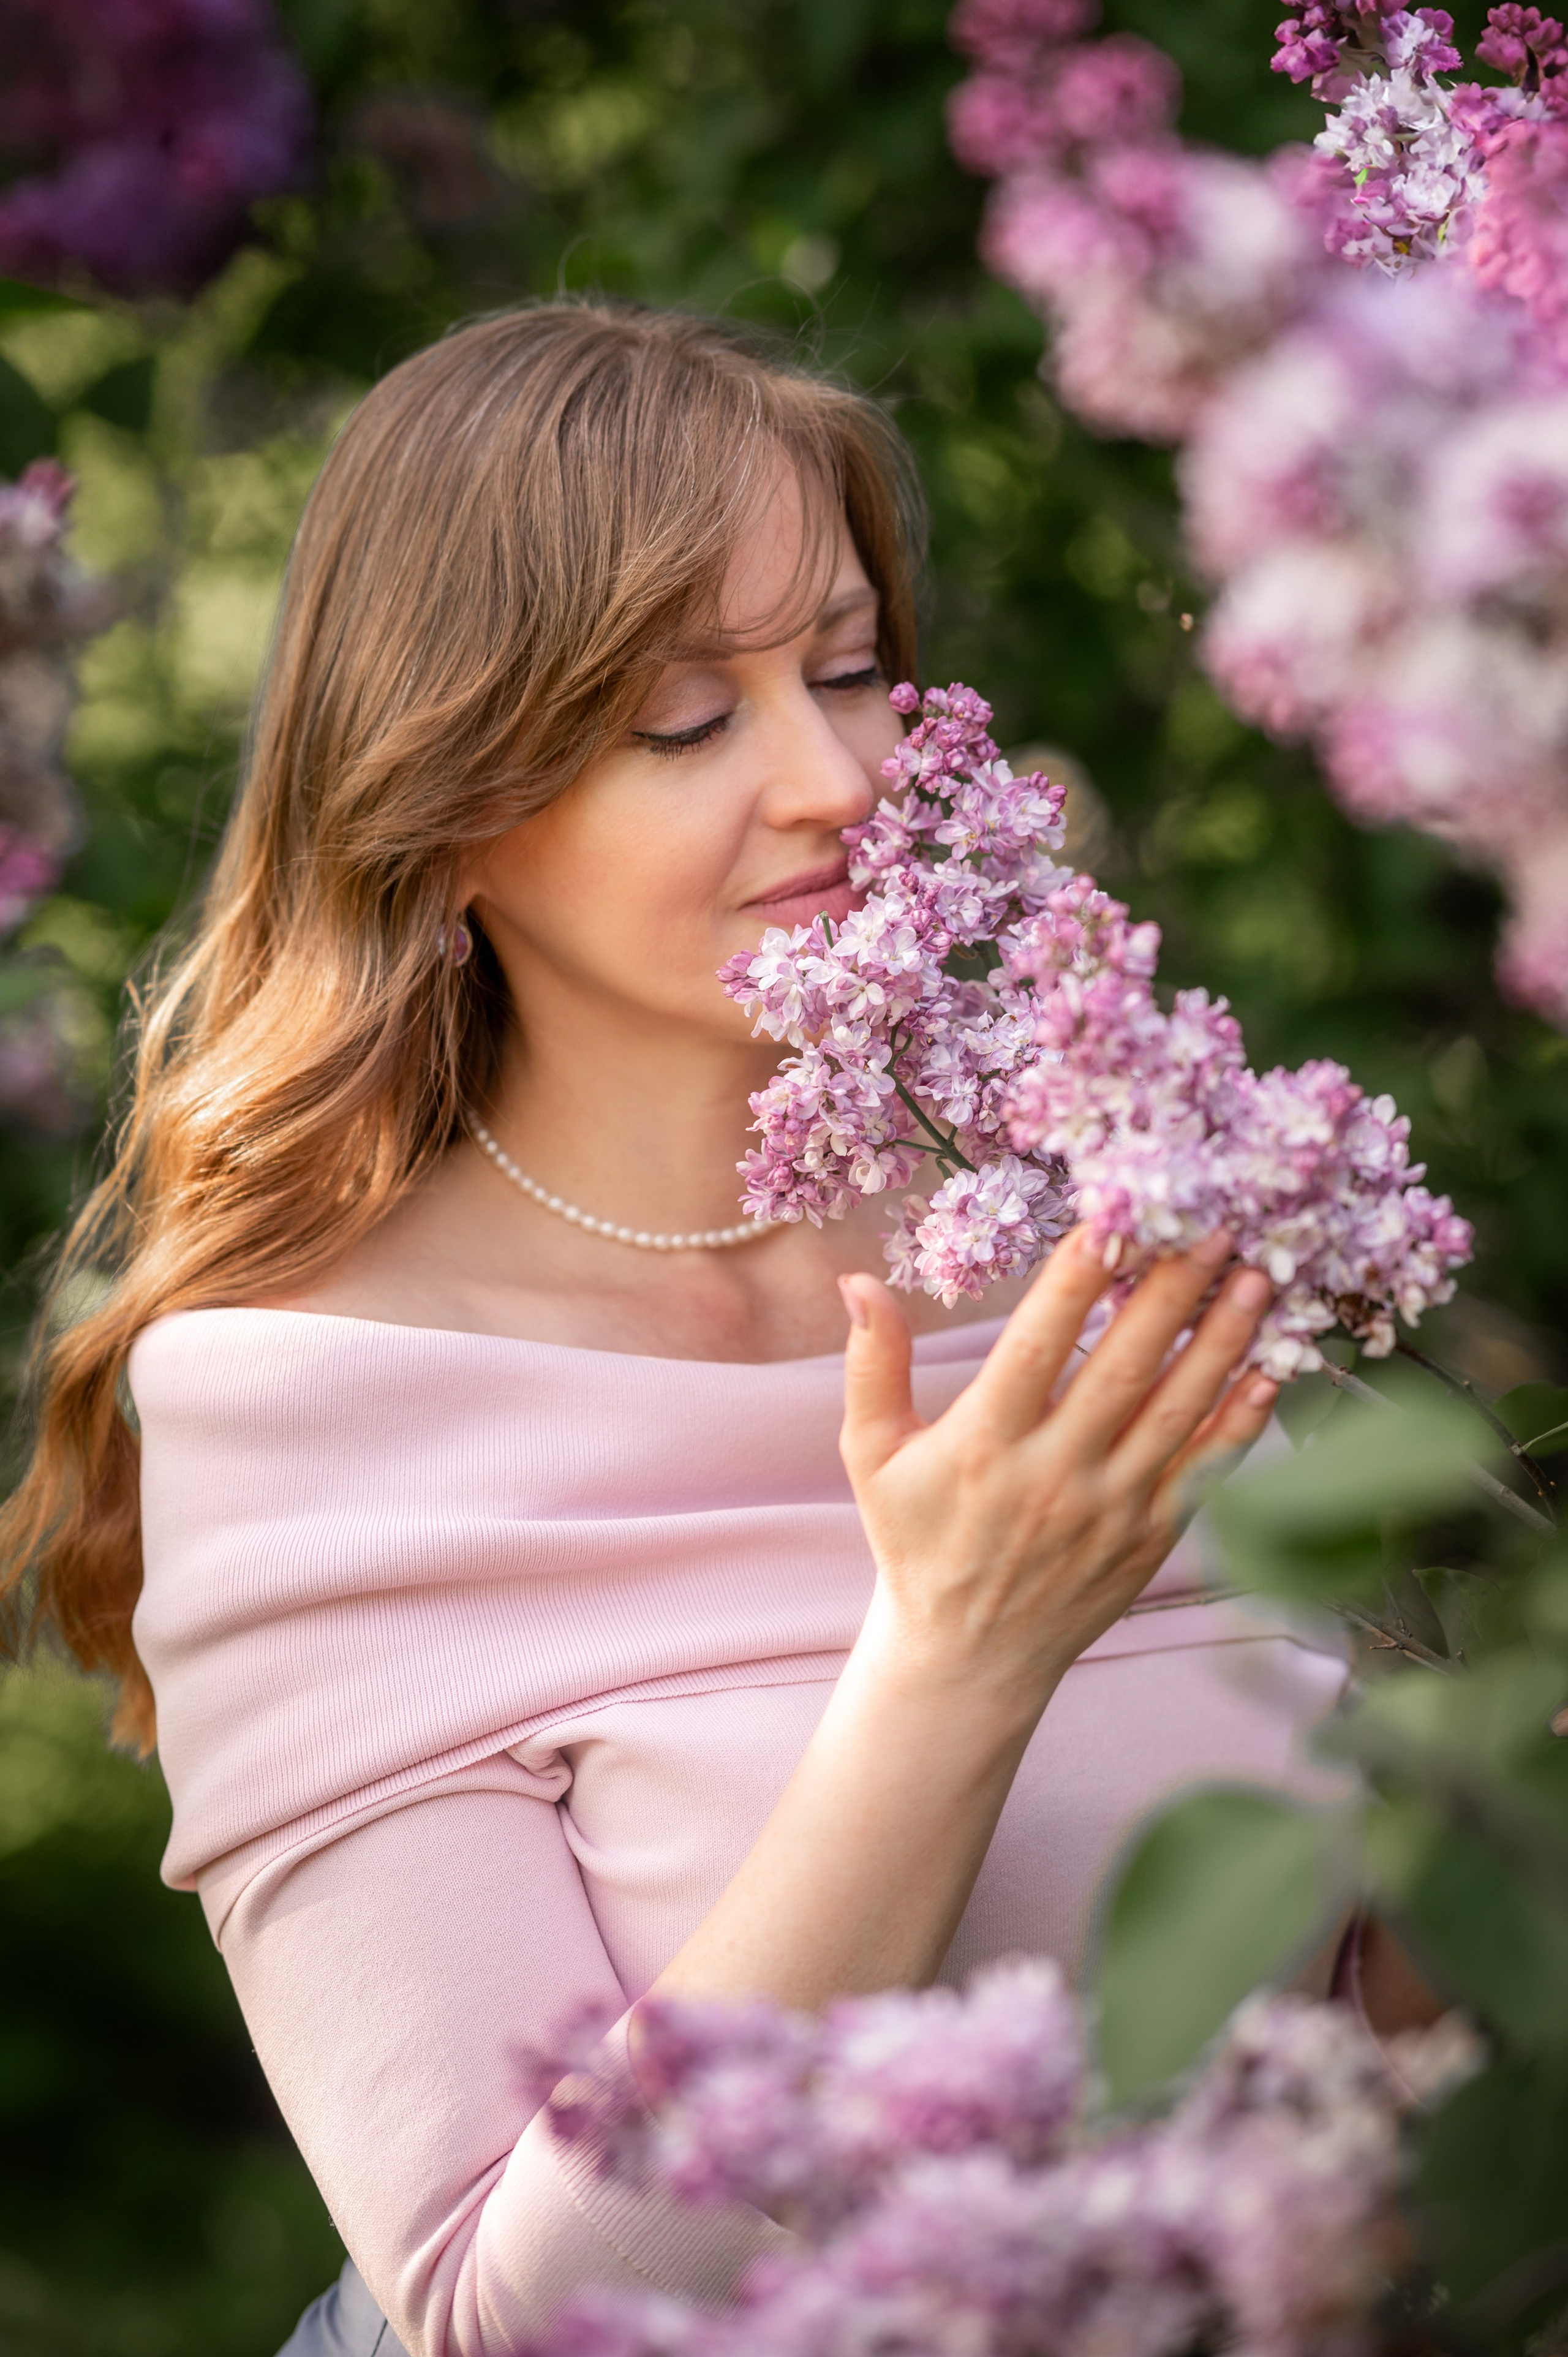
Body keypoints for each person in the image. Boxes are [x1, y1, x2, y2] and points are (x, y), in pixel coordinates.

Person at [3, 303, 1361, 2357]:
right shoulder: (304, 1403)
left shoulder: (1096, 1213)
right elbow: (500, 2319)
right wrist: (956, 1661)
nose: (832, 780)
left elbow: (1350, 2030)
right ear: (447, 805)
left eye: (844, 671)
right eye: (680, 720)